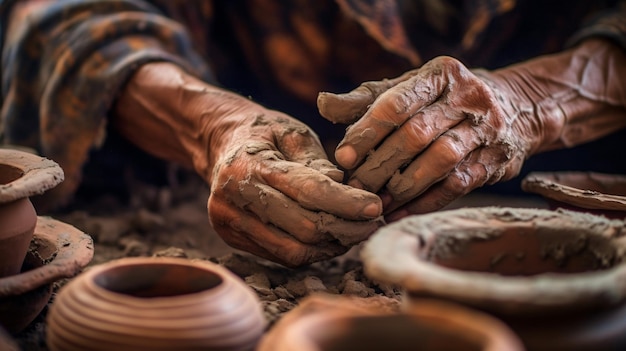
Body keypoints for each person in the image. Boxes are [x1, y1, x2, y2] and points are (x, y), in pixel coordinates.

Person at [1, 0, 625, 267]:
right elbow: (67, 17)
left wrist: (535, 99)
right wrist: (216, 127)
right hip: (268, 158)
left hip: (578, 167)